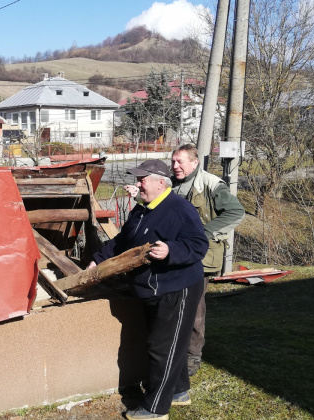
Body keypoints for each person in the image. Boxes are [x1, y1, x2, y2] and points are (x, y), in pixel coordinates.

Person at [88, 159, 208, 420]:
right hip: (152, 287)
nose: (138, 183)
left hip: (177, 287)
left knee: (162, 348)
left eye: (142, 179)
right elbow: (122, 241)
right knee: (166, 344)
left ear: (160, 183)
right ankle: (178, 391)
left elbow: (199, 244)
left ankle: (155, 408)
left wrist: (170, 250)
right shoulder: (143, 209)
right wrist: (97, 260)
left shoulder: (179, 209)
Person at [171, 143, 245, 376]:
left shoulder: (211, 184)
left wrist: (204, 233)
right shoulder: (170, 184)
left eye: (179, 162)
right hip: (174, 253)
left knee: (194, 306)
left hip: (201, 256)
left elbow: (235, 212)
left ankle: (193, 354)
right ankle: (172, 348)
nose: (175, 166)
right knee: (172, 302)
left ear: (194, 162)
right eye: (173, 162)